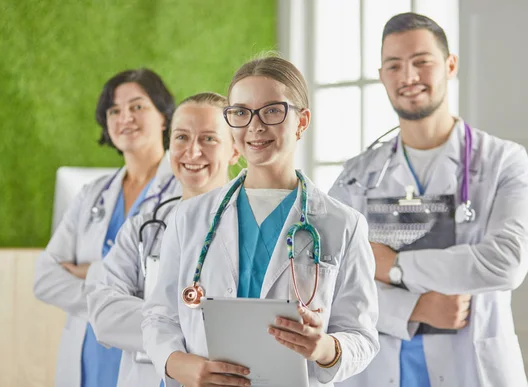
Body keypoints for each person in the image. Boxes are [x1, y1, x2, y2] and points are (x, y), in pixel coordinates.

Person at [142, 55, 379, 387]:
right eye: (240, 112)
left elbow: (362, 336)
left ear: (302, 121)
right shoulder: (190, 217)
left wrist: (324, 347)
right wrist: (180, 364)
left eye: (272, 111)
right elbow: (159, 315)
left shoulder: (343, 224)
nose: (254, 126)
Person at [329, 12, 528, 387]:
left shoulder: (504, 161)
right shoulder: (357, 175)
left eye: (422, 62)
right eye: (394, 65)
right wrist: (415, 308)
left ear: (450, 65)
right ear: (382, 74)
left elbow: (505, 264)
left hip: (473, 369)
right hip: (379, 368)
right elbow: (333, 283)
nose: (408, 77)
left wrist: (394, 266)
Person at [33, 68, 180, 387]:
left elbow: (170, 285)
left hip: (146, 354)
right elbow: (44, 277)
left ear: (164, 117)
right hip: (87, 351)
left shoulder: (184, 192)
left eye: (137, 106)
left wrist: (91, 271)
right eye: (114, 110)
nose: (124, 117)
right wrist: (110, 300)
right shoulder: (91, 194)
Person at [87, 92, 241, 386]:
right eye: (181, 137)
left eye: (209, 139)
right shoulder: (142, 228)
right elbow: (104, 314)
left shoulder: (248, 229)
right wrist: (186, 330)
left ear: (234, 151)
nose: (192, 152)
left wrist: (162, 321)